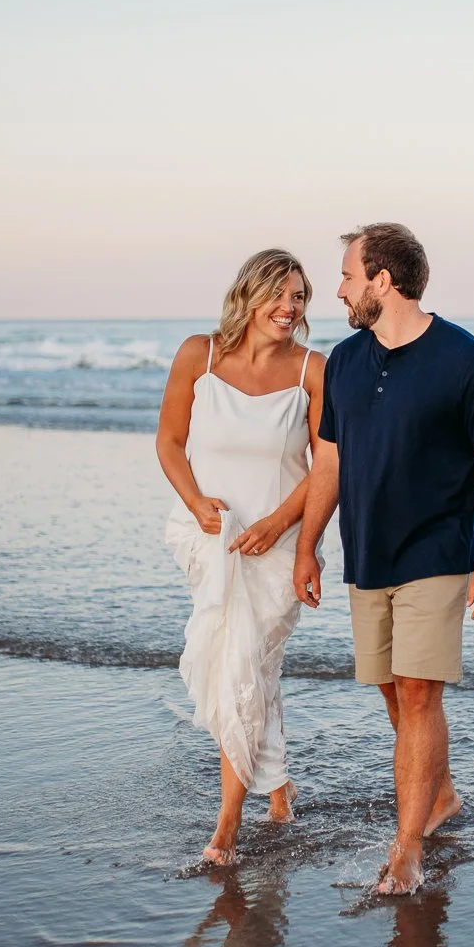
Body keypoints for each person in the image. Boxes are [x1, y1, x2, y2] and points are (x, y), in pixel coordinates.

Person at [294, 223, 474, 895]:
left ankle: (406, 847)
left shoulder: (468, 361)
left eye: (346, 275)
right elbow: (328, 462)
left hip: (438, 550)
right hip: (367, 551)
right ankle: (440, 794)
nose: (337, 289)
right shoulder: (343, 361)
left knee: (419, 693)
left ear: (381, 280)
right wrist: (307, 546)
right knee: (394, 693)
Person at [158, 249, 325, 866]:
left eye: (300, 297)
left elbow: (328, 465)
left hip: (278, 548)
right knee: (249, 671)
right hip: (210, 540)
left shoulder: (315, 370)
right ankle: (278, 791)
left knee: (241, 670)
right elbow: (169, 441)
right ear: (248, 295)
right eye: (279, 295)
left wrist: (285, 527)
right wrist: (196, 499)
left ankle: (225, 831)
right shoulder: (197, 355)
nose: (289, 308)